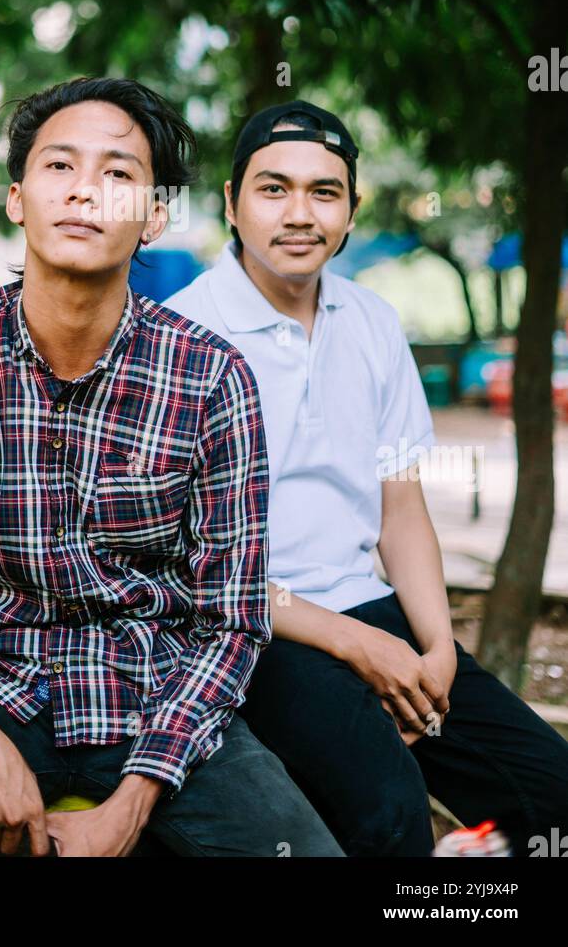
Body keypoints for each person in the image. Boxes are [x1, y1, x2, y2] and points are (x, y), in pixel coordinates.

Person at [0, 78, 342, 859]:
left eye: (118, 173)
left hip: (154, 691)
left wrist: (132, 803)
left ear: (153, 215)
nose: (86, 192)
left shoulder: (211, 377)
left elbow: (231, 621)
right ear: (17, 199)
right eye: (59, 167)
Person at [163, 98, 568, 857]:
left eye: (324, 192)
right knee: (387, 812)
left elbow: (401, 506)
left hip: (372, 611)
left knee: (548, 794)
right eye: (273, 188)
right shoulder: (183, 337)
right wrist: (355, 645)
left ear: (350, 212)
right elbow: (189, 565)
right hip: (251, 629)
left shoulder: (373, 322)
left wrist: (436, 645)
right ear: (231, 202)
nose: (299, 213)